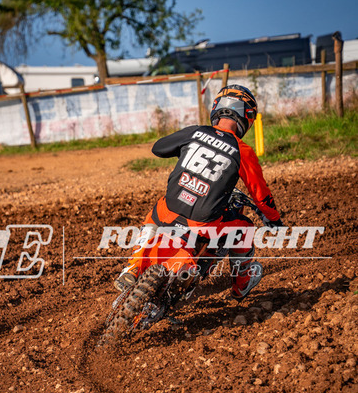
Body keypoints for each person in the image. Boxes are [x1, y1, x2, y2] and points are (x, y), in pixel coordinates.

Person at [114, 84, 283, 300]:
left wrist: (186, 149)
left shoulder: (195, 132)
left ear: (217, 108)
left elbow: (158, 148)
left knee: (154, 214)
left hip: (170, 211)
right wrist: (273, 219)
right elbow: (261, 195)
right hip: (203, 224)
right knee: (245, 229)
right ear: (247, 117)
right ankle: (241, 285)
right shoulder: (242, 151)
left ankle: (133, 266)